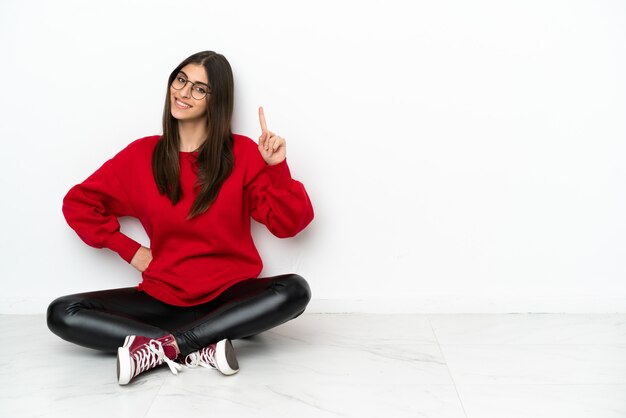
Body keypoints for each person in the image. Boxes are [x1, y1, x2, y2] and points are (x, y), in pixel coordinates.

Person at [47, 51, 314, 385]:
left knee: (294, 290)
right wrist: (130, 250)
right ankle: (201, 347)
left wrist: (277, 169)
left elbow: (290, 225)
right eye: (181, 80)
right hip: (163, 297)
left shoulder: (244, 153)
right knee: (63, 312)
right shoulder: (141, 156)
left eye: (199, 88)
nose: (184, 92)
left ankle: (168, 346)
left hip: (230, 298)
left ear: (217, 100)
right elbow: (79, 203)